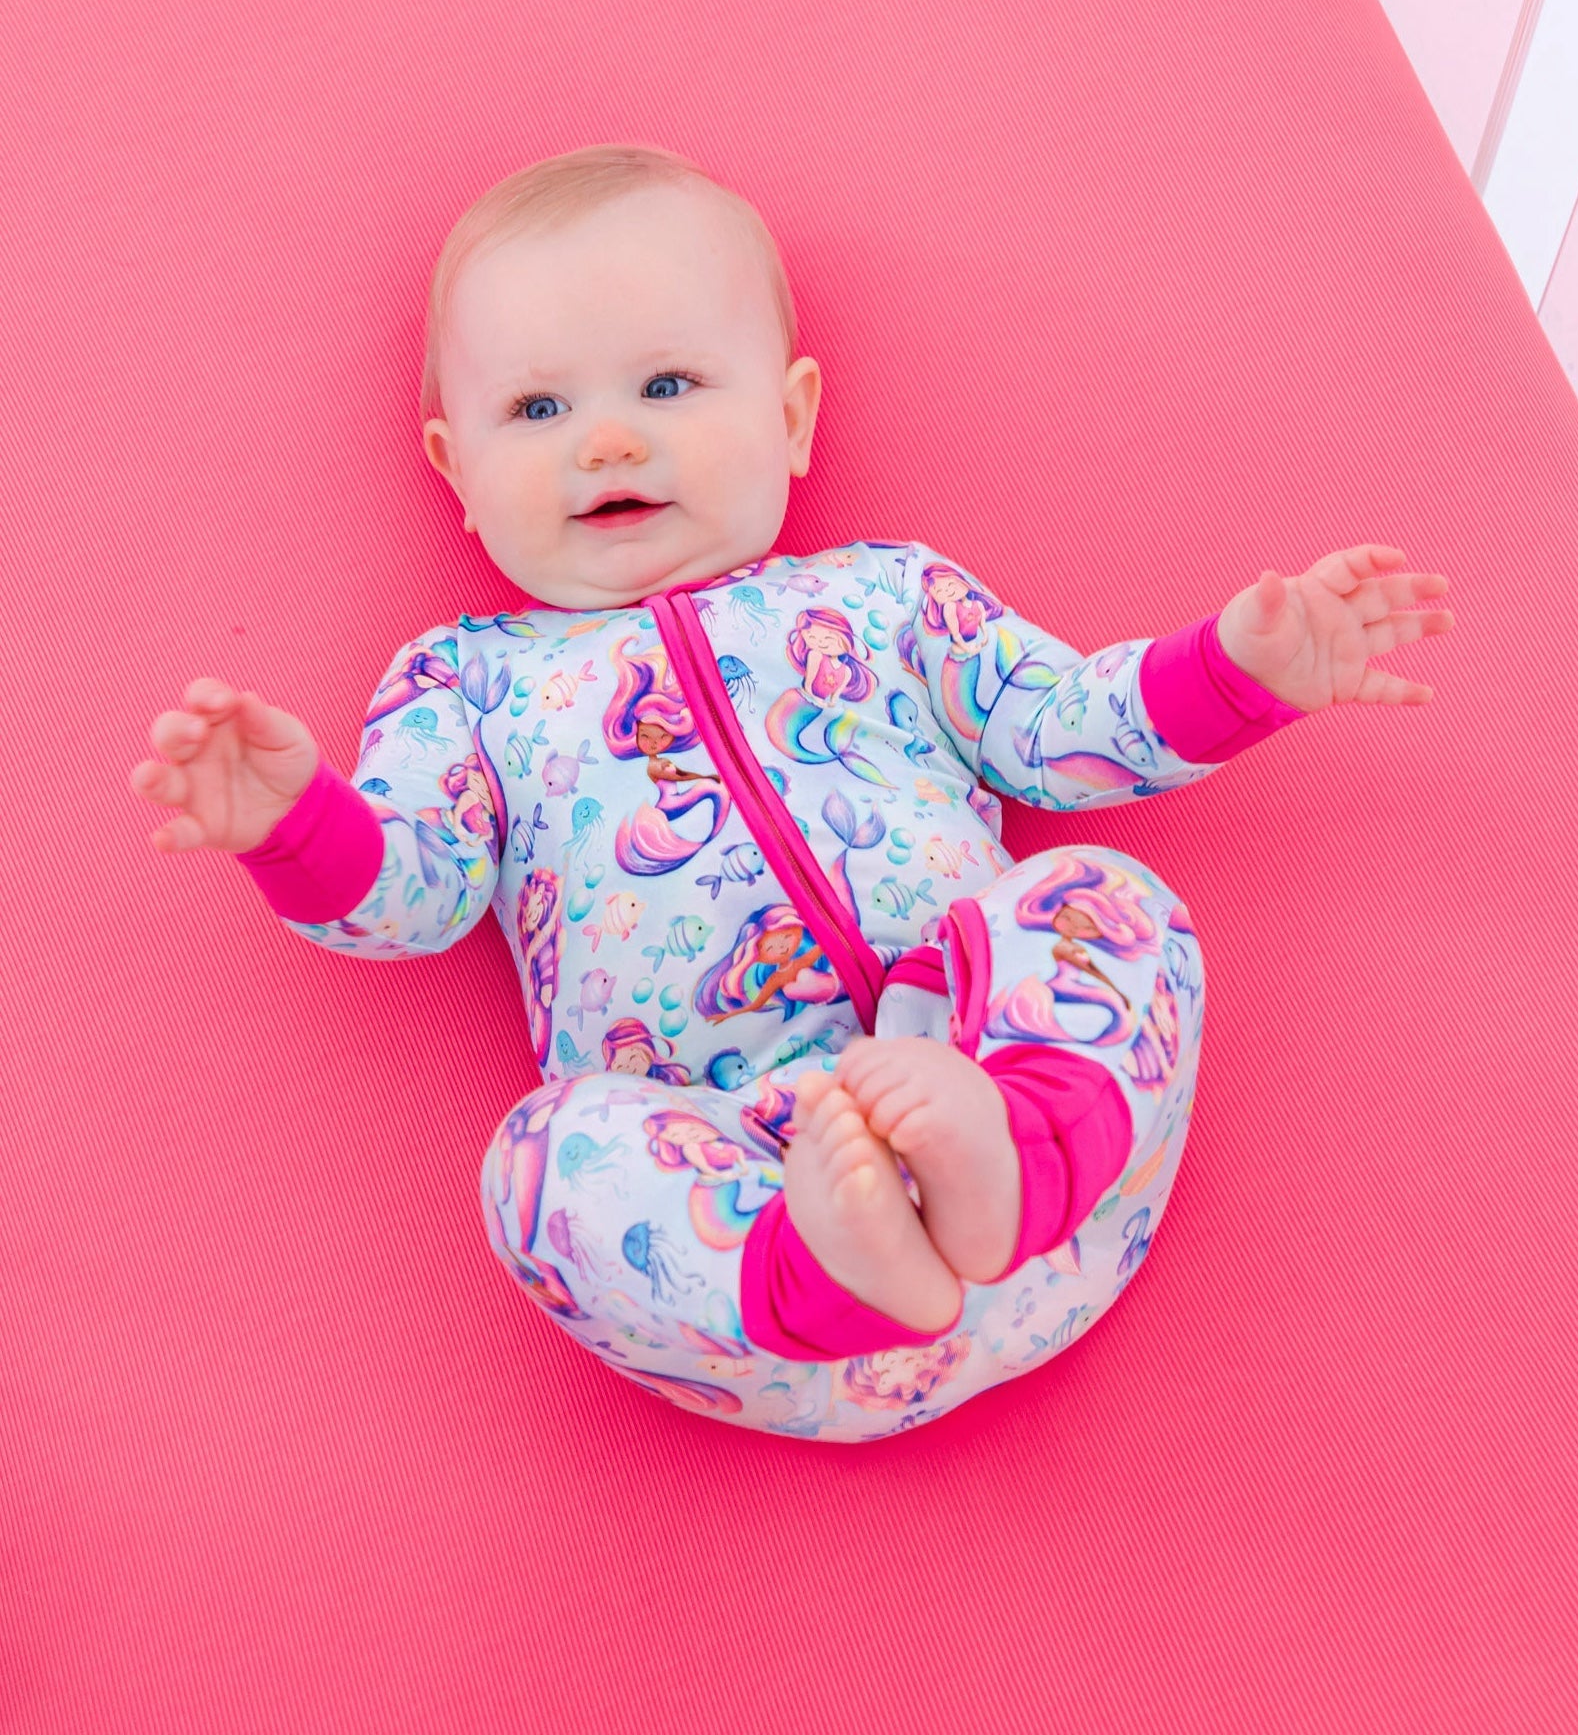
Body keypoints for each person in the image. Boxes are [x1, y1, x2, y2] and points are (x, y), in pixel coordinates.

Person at [127, 143, 1455, 1442]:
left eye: (666, 382)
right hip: (752, 1248)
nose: (603, 440)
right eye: (536, 411)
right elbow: (408, 892)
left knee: (1103, 901)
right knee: (539, 1169)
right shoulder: (466, 684)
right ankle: (826, 1263)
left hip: (1022, 1147)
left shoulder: (885, 596)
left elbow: (1065, 731)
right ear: (453, 470)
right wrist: (293, 825)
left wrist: (1244, 668)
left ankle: (1015, 1153)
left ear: (792, 415)